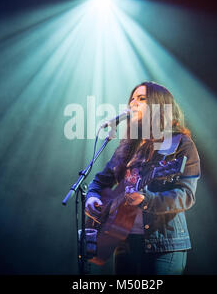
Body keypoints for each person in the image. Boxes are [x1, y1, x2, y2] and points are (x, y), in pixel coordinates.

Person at [85, 81, 200, 275]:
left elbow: (186, 195)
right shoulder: (129, 146)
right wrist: (92, 197)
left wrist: (148, 201)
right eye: (132, 99)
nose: (133, 103)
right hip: (124, 241)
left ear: (159, 105)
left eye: (141, 98)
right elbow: (99, 181)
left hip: (163, 245)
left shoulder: (180, 144)